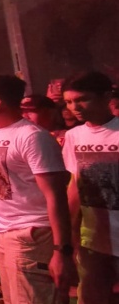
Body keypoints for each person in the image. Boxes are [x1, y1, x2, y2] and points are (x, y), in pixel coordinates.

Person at [0, 74, 76, 304]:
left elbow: (56, 196)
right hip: (3, 234)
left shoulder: (33, 137)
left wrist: (61, 251)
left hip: (33, 235)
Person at [61, 71, 118, 303]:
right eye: (68, 102)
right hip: (92, 239)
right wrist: (68, 230)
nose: (75, 107)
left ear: (106, 96)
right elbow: (75, 184)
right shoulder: (75, 135)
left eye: (83, 99)